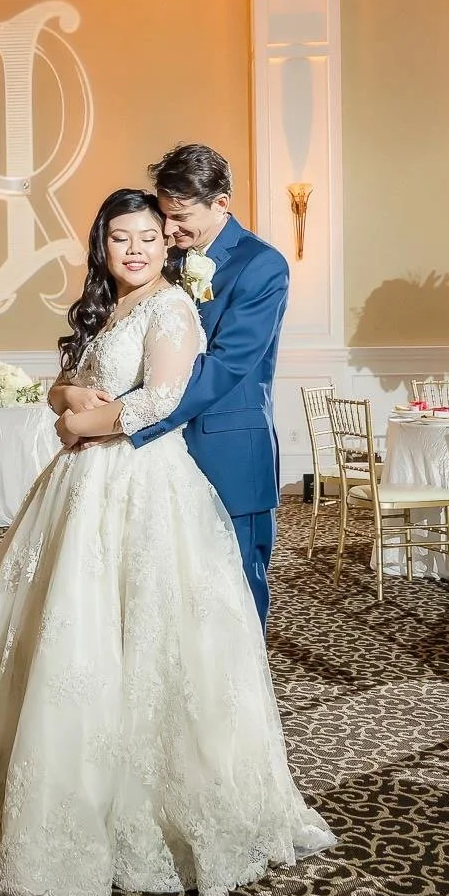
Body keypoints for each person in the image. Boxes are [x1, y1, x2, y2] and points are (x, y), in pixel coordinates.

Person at [0, 188, 331, 896]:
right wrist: (72, 406)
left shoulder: (172, 307)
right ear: (103, 245)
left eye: (148, 237)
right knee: (70, 631)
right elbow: (64, 387)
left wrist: (82, 421)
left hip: (143, 483)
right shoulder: (111, 310)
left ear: (169, 245)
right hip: (80, 487)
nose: (134, 249)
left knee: (149, 634)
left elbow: (160, 400)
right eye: (120, 238)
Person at [50, 143, 289, 622]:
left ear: (221, 203)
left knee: (234, 593)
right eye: (164, 215)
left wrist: (120, 419)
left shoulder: (262, 265)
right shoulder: (164, 257)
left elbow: (224, 367)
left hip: (224, 450)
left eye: (180, 217)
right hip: (150, 464)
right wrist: (75, 395)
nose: (169, 229)